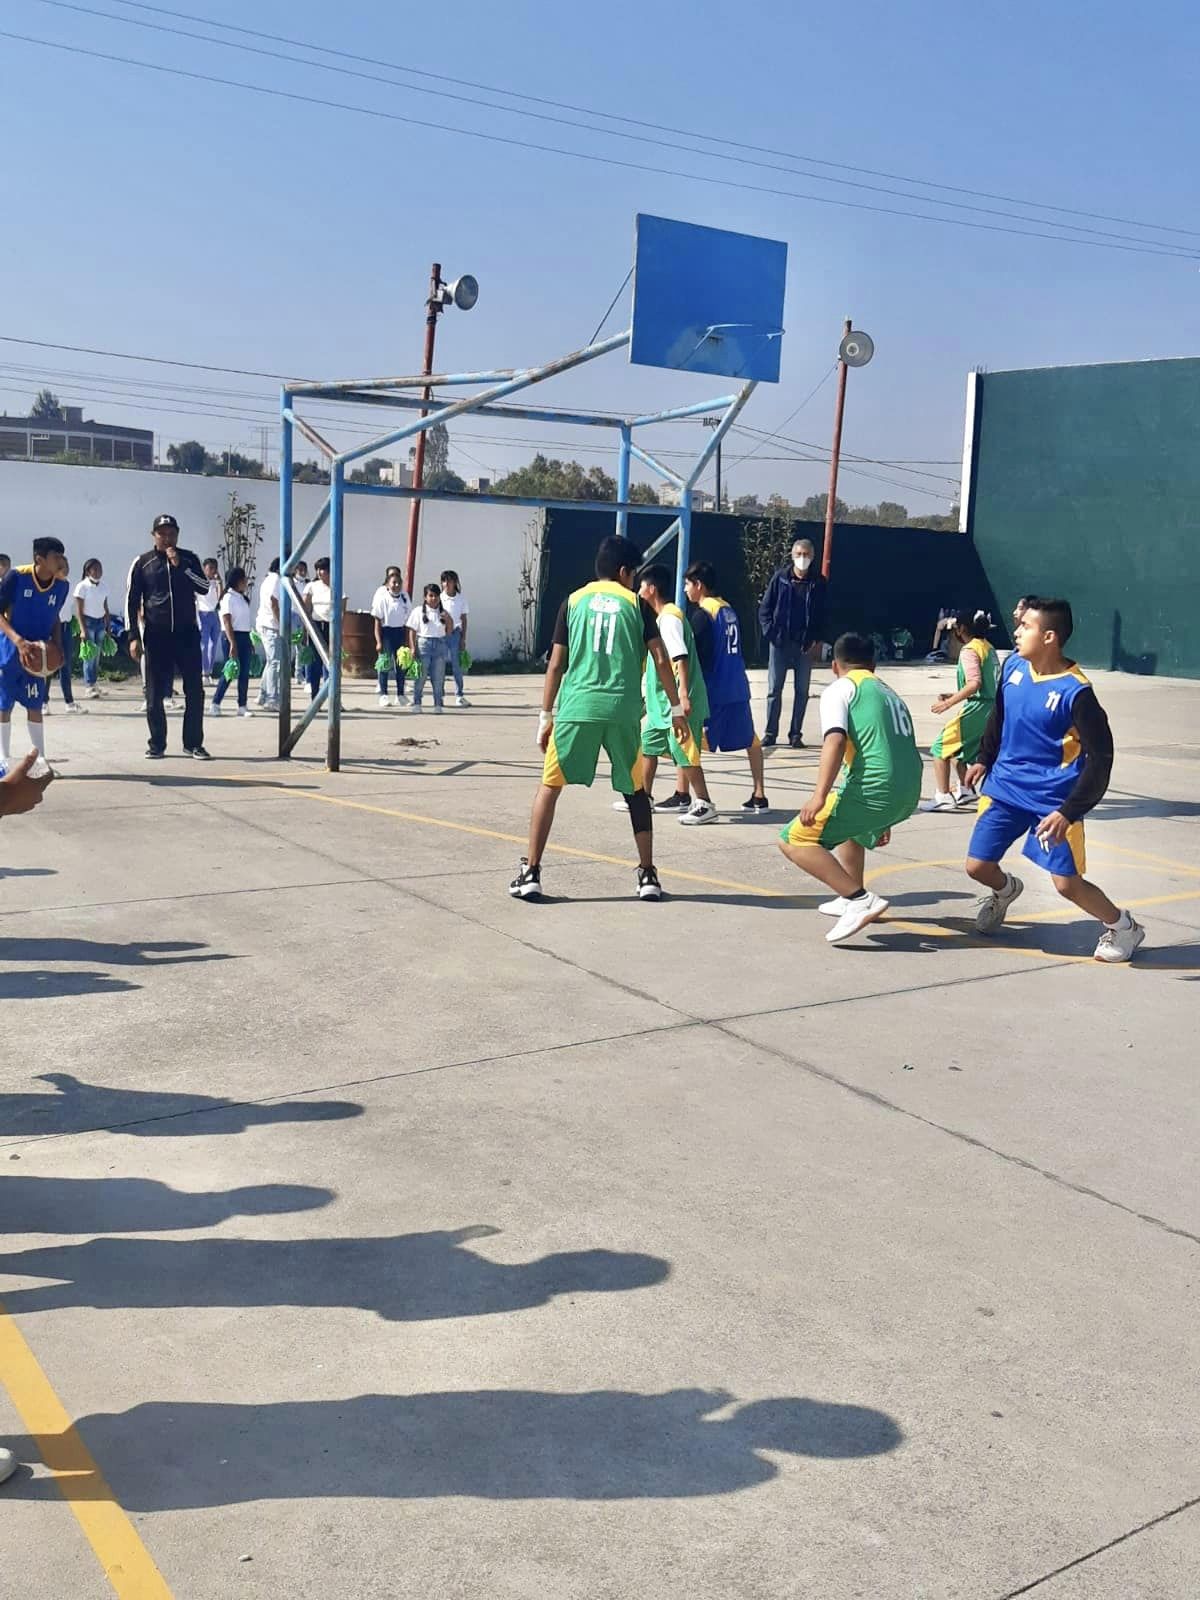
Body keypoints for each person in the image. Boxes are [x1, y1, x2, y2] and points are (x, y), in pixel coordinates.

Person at [509, 534, 690, 902]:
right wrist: (674, 708)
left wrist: (546, 716)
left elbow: (556, 664)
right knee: (636, 791)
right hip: (622, 710)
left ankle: (531, 872)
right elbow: (660, 658)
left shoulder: (572, 602)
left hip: (578, 708)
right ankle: (648, 875)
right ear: (624, 572)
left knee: (550, 786)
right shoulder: (638, 606)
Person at [963, 597, 1144, 963]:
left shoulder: (1077, 693)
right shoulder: (1013, 665)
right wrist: (984, 758)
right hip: (1006, 788)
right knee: (977, 866)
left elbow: (1101, 761)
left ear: (1049, 637)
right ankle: (1005, 891)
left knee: (1067, 885)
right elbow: (999, 715)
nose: (1016, 631)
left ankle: (1125, 927)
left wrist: (1069, 812)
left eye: (1025, 626)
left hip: (1052, 803)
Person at [779, 631, 922, 945]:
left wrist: (818, 796)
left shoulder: (841, 688)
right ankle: (849, 893)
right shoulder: (887, 692)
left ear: (834, 666)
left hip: (877, 788)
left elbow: (835, 739)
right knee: (851, 830)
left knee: (793, 839)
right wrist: (882, 817)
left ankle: (859, 899)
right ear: (873, 665)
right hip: (910, 790)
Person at [682, 562, 769, 812]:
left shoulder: (702, 615)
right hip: (737, 685)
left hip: (715, 689)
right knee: (750, 740)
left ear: (699, 585)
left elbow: (701, 655)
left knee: (686, 740)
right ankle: (759, 794)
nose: (686, 589)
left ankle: (684, 793)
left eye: (688, 584)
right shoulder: (727, 609)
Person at [634, 563, 716, 825]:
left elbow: (680, 657)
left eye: (641, 587)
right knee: (647, 743)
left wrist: (682, 695)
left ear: (652, 589)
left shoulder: (669, 618)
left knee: (684, 748)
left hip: (676, 701)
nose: (638, 591)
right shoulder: (660, 617)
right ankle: (643, 797)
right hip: (661, 703)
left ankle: (704, 802)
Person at [126, 514, 210, 761]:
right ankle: (157, 743)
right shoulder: (143, 563)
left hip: (186, 633)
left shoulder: (189, 559)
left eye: (171, 533)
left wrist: (181, 566)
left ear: (177, 534)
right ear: (154, 535)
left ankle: (193, 743)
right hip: (157, 634)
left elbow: (203, 588)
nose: (167, 537)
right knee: (154, 693)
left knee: (194, 690)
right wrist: (133, 636)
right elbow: (132, 601)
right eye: (162, 533)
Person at [0, 538, 70, 777]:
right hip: (10, 649)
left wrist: (58, 648)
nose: (61, 560)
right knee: (3, 705)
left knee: (35, 704)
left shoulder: (62, 586)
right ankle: (3, 759)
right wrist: (17, 640)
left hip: (38, 655)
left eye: (62, 555)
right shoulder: (16, 577)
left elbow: (55, 617)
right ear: (40, 559)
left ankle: (40, 758)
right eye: (55, 556)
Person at [921, 608, 998, 812]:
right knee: (958, 751)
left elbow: (974, 683)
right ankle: (966, 787)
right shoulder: (988, 648)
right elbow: (986, 683)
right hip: (991, 707)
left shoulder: (970, 650)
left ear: (961, 629)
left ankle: (943, 795)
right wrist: (952, 694)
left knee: (939, 748)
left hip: (978, 708)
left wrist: (949, 703)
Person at [757, 536, 827, 747]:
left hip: (804, 646)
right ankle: (770, 733)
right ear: (792, 555)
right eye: (798, 554)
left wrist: (817, 640)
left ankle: (795, 734)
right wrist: (771, 633)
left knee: (802, 691)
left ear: (812, 556)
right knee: (774, 690)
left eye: (806, 555)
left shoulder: (818, 583)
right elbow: (765, 609)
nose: (802, 558)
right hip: (779, 644)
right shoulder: (780, 579)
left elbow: (825, 614)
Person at [210, 568, 254, 718]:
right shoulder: (227, 598)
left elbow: (245, 621)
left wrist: (249, 640)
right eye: (244, 579)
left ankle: (242, 705)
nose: (246, 582)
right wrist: (232, 643)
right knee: (230, 671)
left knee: (244, 673)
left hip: (244, 636)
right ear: (237, 581)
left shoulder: (241, 598)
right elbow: (227, 622)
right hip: (231, 636)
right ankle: (215, 703)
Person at [406, 584, 453, 713]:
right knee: (420, 677)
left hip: (440, 644)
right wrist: (412, 647)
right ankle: (417, 702)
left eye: (436, 596)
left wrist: (448, 620)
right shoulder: (418, 611)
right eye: (430, 596)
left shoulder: (444, 612)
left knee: (438, 678)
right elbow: (412, 631)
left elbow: (449, 631)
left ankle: (438, 704)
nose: (433, 599)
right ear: (425, 597)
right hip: (423, 644)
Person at [370, 566, 411, 708]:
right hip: (386, 633)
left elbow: (408, 621)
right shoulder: (383, 598)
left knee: (401, 665)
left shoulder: (405, 598)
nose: (396, 585)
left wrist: (408, 640)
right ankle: (383, 694)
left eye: (399, 583)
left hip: (400, 633)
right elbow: (377, 622)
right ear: (388, 584)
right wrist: (378, 641)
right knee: (385, 665)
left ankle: (400, 695)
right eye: (393, 583)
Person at [47, 571, 85, 717]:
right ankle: (44, 702)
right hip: (51, 628)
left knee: (66, 665)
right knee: (49, 665)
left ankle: (69, 702)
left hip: (66, 627)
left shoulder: (67, 585)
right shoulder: (47, 585)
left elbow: (72, 609)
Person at [302, 556, 340, 702]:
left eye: (322, 569)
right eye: (317, 569)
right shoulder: (312, 586)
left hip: (330, 626)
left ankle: (333, 698)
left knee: (331, 663)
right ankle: (315, 697)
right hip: (316, 626)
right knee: (314, 663)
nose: (319, 572)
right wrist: (306, 630)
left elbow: (341, 609)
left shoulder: (336, 585)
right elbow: (306, 609)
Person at [74, 558, 110, 701]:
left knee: (97, 656)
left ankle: (94, 683)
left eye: (100, 569)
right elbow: (79, 611)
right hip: (88, 622)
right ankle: (89, 686)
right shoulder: (82, 587)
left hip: (100, 622)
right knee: (89, 656)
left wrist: (108, 626)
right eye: (95, 569)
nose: (98, 572)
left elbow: (105, 607)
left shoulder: (104, 587)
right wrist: (83, 630)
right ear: (88, 571)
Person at [255, 558, 283, 712]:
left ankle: (263, 694)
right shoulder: (276, 580)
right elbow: (274, 602)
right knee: (275, 663)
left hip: (266, 623)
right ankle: (272, 698)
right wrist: (280, 623)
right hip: (271, 625)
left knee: (271, 661)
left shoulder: (269, 579)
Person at [440, 569, 471, 708]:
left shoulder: (461, 599)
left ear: (455, 583)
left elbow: (464, 619)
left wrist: (463, 638)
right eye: (444, 581)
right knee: (439, 665)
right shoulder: (439, 598)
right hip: (441, 634)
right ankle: (439, 693)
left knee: (456, 666)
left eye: (450, 581)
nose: (447, 584)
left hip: (455, 635)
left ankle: (459, 695)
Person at [197, 557, 222, 679]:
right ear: (204, 569)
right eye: (210, 568)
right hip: (203, 614)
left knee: (213, 645)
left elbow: (220, 597)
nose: (212, 571)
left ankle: (210, 671)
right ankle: (204, 672)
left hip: (214, 614)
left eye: (214, 568)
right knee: (204, 645)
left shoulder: (216, 582)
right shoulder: (200, 582)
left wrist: (219, 582)